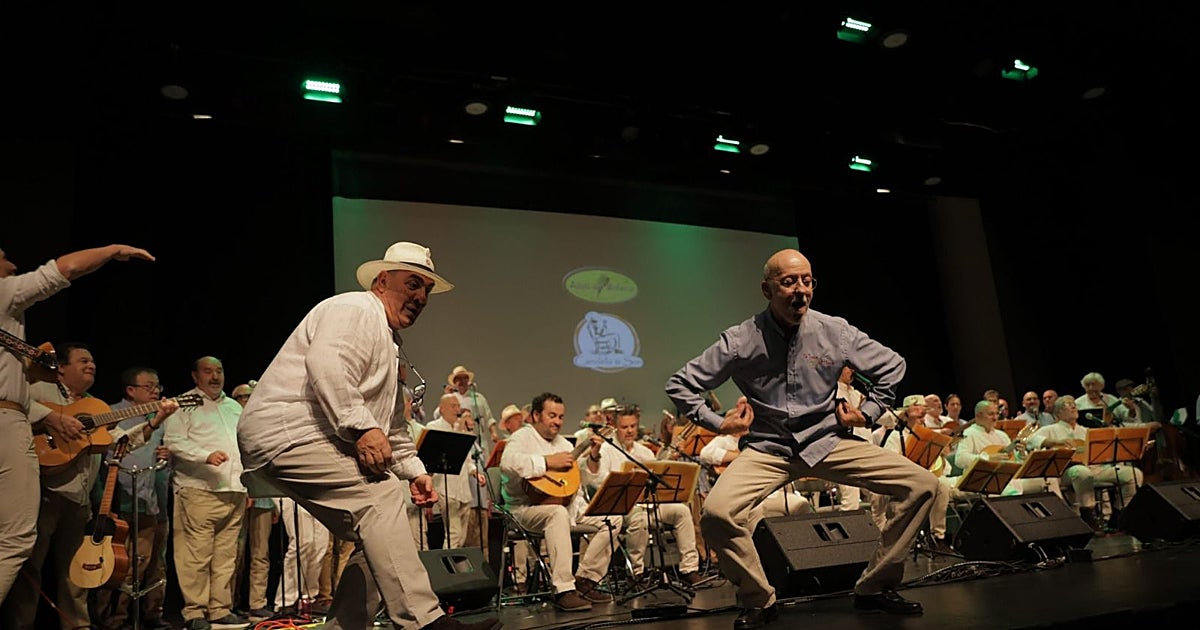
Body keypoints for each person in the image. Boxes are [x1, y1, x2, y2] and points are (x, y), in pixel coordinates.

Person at [236, 241, 501, 630]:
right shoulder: (355, 308)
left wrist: (414, 470)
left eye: (426, 290)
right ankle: (423, 622)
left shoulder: (390, 341)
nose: (421, 297)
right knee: (381, 499)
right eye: (413, 284)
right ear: (381, 281)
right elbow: (327, 364)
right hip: (288, 432)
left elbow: (391, 425)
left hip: (305, 437)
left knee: (381, 534)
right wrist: (360, 427)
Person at [666, 248, 936, 627]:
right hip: (769, 448)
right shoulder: (742, 339)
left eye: (807, 281)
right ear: (767, 289)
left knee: (923, 484)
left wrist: (868, 412)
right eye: (789, 281)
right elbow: (680, 384)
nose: (800, 290)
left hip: (828, 441)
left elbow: (893, 365)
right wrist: (718, 422)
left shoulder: (834, 331)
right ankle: (759, 599)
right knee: (716, 514)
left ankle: (876, 585)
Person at [0, 243, 154, 604]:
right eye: (4, 256)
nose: (13, 262)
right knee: (18, 537)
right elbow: (64, 270)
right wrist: (113, 250)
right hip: (9, 424)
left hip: (75, 493)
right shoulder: (4, 293)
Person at [3, 342, 176, 630]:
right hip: (44, 493)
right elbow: (16, 414)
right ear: (61, 368)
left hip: (79, 500)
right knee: (28, 569)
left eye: (93, 361)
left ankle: (77, 625)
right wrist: (53, 422)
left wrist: (156, 420)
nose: (91, 365)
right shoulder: (37, 392)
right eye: (83, 360)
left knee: (76, 571)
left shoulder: (96, 407)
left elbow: (122, 441)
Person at [499, 392, 625, 612]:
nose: (557, 421)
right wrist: (547, 462)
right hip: (525, 510)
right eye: (552, 415)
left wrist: (594, 455)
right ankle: (563, 590)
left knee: (613, 518)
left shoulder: (564, 443)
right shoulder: (522, 437)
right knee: (556, 513)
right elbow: (508, 463)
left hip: (566, 506)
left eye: (560, 416)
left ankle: (585, 580)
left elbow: (584, 478)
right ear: (536, 415)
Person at [164, 356, 249, 630]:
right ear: (195, 376)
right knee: (195, 556)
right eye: (207, 371)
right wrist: (204, 456)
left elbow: (246, 444)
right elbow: (174, 441)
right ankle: (195, 612)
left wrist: (249, 484)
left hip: (234, 489)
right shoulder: (184, 404)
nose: (215, 376)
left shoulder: (234, 407)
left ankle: (220, 608)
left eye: (219, 371)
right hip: (200, 490)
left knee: (226, 556)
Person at [585, 405, 705, 586]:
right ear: (616, 427)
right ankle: (637, 572)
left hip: (648, 504)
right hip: (622, 508)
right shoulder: (607, 450)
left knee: (681, 511)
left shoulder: (644, 452)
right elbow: (597, 482)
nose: (629, 431)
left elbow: (658, 476)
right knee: (638, 518)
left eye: (633, 426)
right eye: (625, 427)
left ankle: (689, 569)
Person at [92, 366, 174, 630]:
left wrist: (166, 455)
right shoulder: (110, 414)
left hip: (150, 501)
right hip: (116, 502)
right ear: (130, 390)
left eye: (157, 387)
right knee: (116, 564)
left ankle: (139, 616)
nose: (155, 391)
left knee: (144, 564)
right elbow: (111, 450)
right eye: (148, 387)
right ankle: (109, 619)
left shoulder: (159, 418)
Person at [1026, 395, 1152, 531]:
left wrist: (1137, 447)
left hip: (1094, 469)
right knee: (1082, 472)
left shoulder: (1086, 431)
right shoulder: (1050, 429)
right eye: (1067, 405)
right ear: (1058, 413)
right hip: (1065, 473)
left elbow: (1106, 451)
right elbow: (1030, 440)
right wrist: (1056, 442)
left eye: (1074, 404)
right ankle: (1088, 517)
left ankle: (1122, 515)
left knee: (1133, 474)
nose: (1073, 407)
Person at [232, 382, 279, 622]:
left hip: (264, 499)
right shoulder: (232, 424)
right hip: (240, 494)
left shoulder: (262, 424)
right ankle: (230, 603)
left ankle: (257, 603)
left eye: (252, 397)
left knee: (261, 553)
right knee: (235, 554)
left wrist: (275, 504)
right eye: (243, 397)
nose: (248, 401)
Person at [426, 393, 487, 549]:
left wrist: (475, 472)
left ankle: (454, 565)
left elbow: (467, 460)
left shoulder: (460, 429)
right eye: (453, 406)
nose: (457, 409)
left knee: (462, 536)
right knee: (454, 533)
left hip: (463, 489)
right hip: (445, 488)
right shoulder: (433, 427)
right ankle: (448, 567)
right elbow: (431, 458)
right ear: (442, 408)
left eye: (458, 406)